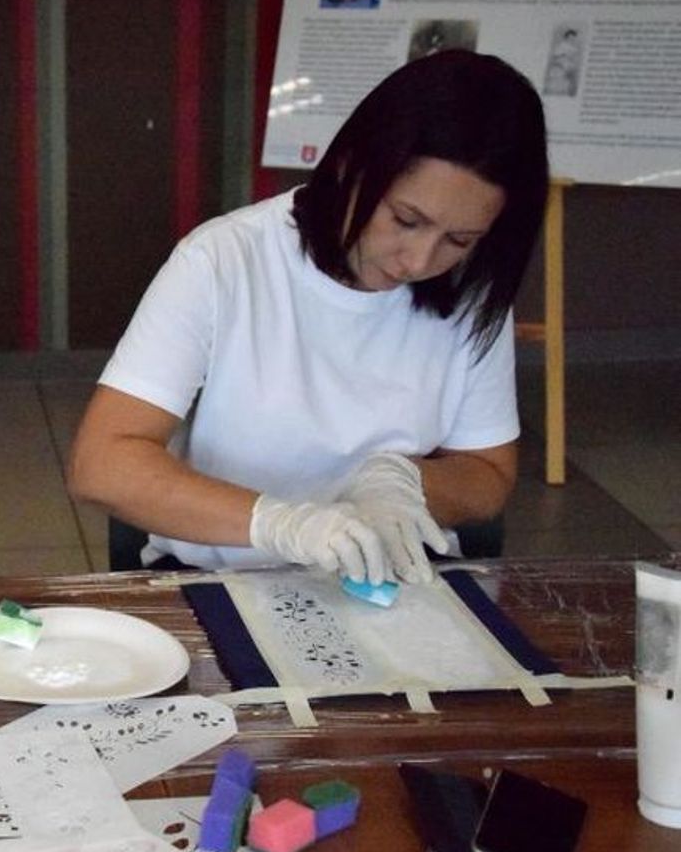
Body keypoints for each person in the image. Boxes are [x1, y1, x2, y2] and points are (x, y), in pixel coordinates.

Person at [69, 50, 547, 585]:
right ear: (352, 164)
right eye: (405, 219)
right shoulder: (224, 260)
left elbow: (489, 473)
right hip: (227, 573)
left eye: (459, 240)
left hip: (391, 579)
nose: (418, 261)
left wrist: (403, 481)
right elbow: (102, 464)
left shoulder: (471, 291)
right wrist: (280, 524)